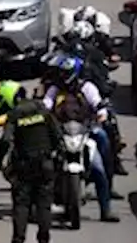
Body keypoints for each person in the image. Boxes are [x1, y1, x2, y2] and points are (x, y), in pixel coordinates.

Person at [42, 55, 121, 222]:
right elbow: (45, 105)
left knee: (99, 166)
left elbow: (98, 103)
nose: (64, 76)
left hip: (84, 133)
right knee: (43, 164)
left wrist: (102, 113)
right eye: (62, 72)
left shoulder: (87, 87)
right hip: (60, 134)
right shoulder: (54, 89)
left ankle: (105, 208)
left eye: (67, 73)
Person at [0, 83, 62, 243]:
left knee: (21, 206)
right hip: (45, 165)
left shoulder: (14, 114)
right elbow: (57, 135)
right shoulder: (42, 109)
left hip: (24, 167)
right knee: (44, 207)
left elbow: (5, 140)